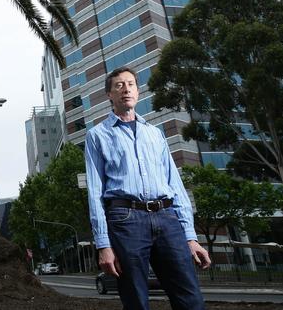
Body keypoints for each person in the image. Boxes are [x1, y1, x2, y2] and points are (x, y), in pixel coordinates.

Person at [84, 66, 211, 310]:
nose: (126, 89)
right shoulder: (97, 136)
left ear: (138, 92)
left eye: (131, 84)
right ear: (109, 95)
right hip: (125, 220)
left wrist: (191, 237)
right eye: (119, 85)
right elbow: (94, 191)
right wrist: (103, 244)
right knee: (136, 300)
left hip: (167, 217)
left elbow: (176, 185)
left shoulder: (155, 134)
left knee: (190, 298)